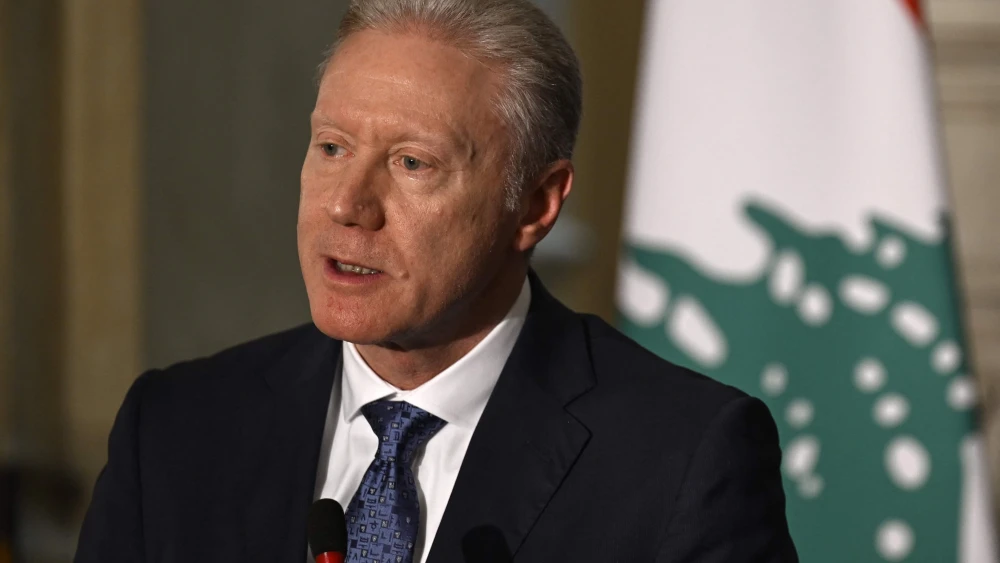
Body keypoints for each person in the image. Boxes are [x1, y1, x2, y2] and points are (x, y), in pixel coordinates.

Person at [74, 0, 798, 561]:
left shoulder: (681, 459)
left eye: (412, 163)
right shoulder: (174, 431)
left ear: (537, 204)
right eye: (331, 146)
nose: (346, 204)